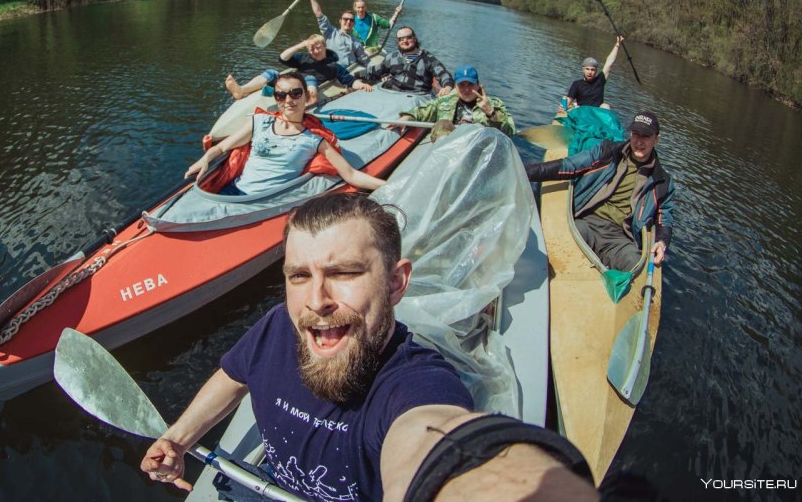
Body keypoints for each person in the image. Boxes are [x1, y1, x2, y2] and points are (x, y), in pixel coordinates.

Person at [141, 193, 598, 501]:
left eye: (344, 273)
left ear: (397, 282)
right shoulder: (278, 325)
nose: (316, 301)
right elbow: (233, 376)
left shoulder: (417, 383)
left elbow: (432, 438)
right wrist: (179, 438)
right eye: (299, 276)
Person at [187, 72, 384, 195]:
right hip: (231, 191)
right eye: (281, 95)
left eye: (295, 93)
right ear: (276, 99)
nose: (288, 99)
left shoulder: (315, 139)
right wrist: (205, 159)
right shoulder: (260, 121)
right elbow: (222, 146)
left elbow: (350, 174)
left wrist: (389, 186)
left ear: (307, 97)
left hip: (264, 204)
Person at [525, 111, 674, 271]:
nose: (639, 142)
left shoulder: (662, 181)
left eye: (646, 136)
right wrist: (525, 172)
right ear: (630, 134)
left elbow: (664, 217)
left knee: (636, 267)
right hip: (587, 223)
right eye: (636, 134)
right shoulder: (607, 152)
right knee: (553, 248)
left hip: (620, 239)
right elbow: (570, 166)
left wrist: (661, 241)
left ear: (656, 140)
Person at [224, 34, 373, 105]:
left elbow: (349, 80)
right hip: (292, 82)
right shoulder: (303, 57)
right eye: (312, 49)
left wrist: (362, 85)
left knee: (310, 78)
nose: (315, 51)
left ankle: (309, 102)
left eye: (318, 48)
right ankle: (241, 90)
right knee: (271, 72)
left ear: (324, 47)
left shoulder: (334, 66)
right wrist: (300, 45)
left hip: (308, 87)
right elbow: (282, 58)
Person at [396, 65, 515, 138]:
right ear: (455, 86)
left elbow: (508, 133)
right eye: (462, 85)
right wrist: (407, 118)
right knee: (443, 124)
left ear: (478, 85)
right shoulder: (445, 101)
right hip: (447, 149)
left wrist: (491, 113)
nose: (467, 89)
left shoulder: (494, 104)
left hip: (477, 150)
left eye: (470, 85)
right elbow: (423, 111)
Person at [365, 26, 454, 95]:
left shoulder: (428, 58)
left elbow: (443, 73)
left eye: (408, 37)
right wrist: (353, 78)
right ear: (398, 42)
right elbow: (374, 71)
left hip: (417, 96)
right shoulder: (392, 57)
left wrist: (448, 86)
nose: (405, 41)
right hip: (390, 93)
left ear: (414, 39)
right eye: (401, 39)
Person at [306, 0, 369, 67]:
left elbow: (365, 59)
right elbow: (318, 13)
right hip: (333, 68)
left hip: (352, 69)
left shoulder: (356, 42)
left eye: (351, 20)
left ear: (354, 24)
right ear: (340, 21)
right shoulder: (330, 32)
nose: (348, 22)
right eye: (346, 19)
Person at [563, 35, 624, 110]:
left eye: (592, 70)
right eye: (587, 69)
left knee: (606, 106)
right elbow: (569, 100)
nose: (590, 72)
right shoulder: (577, 84)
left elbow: (609, 63)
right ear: (583, 70)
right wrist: (563, 106)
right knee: (574, 106)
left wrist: (617, 44)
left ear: (596, 71)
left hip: (596, 113)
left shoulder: (600, 80)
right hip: (582, 111)